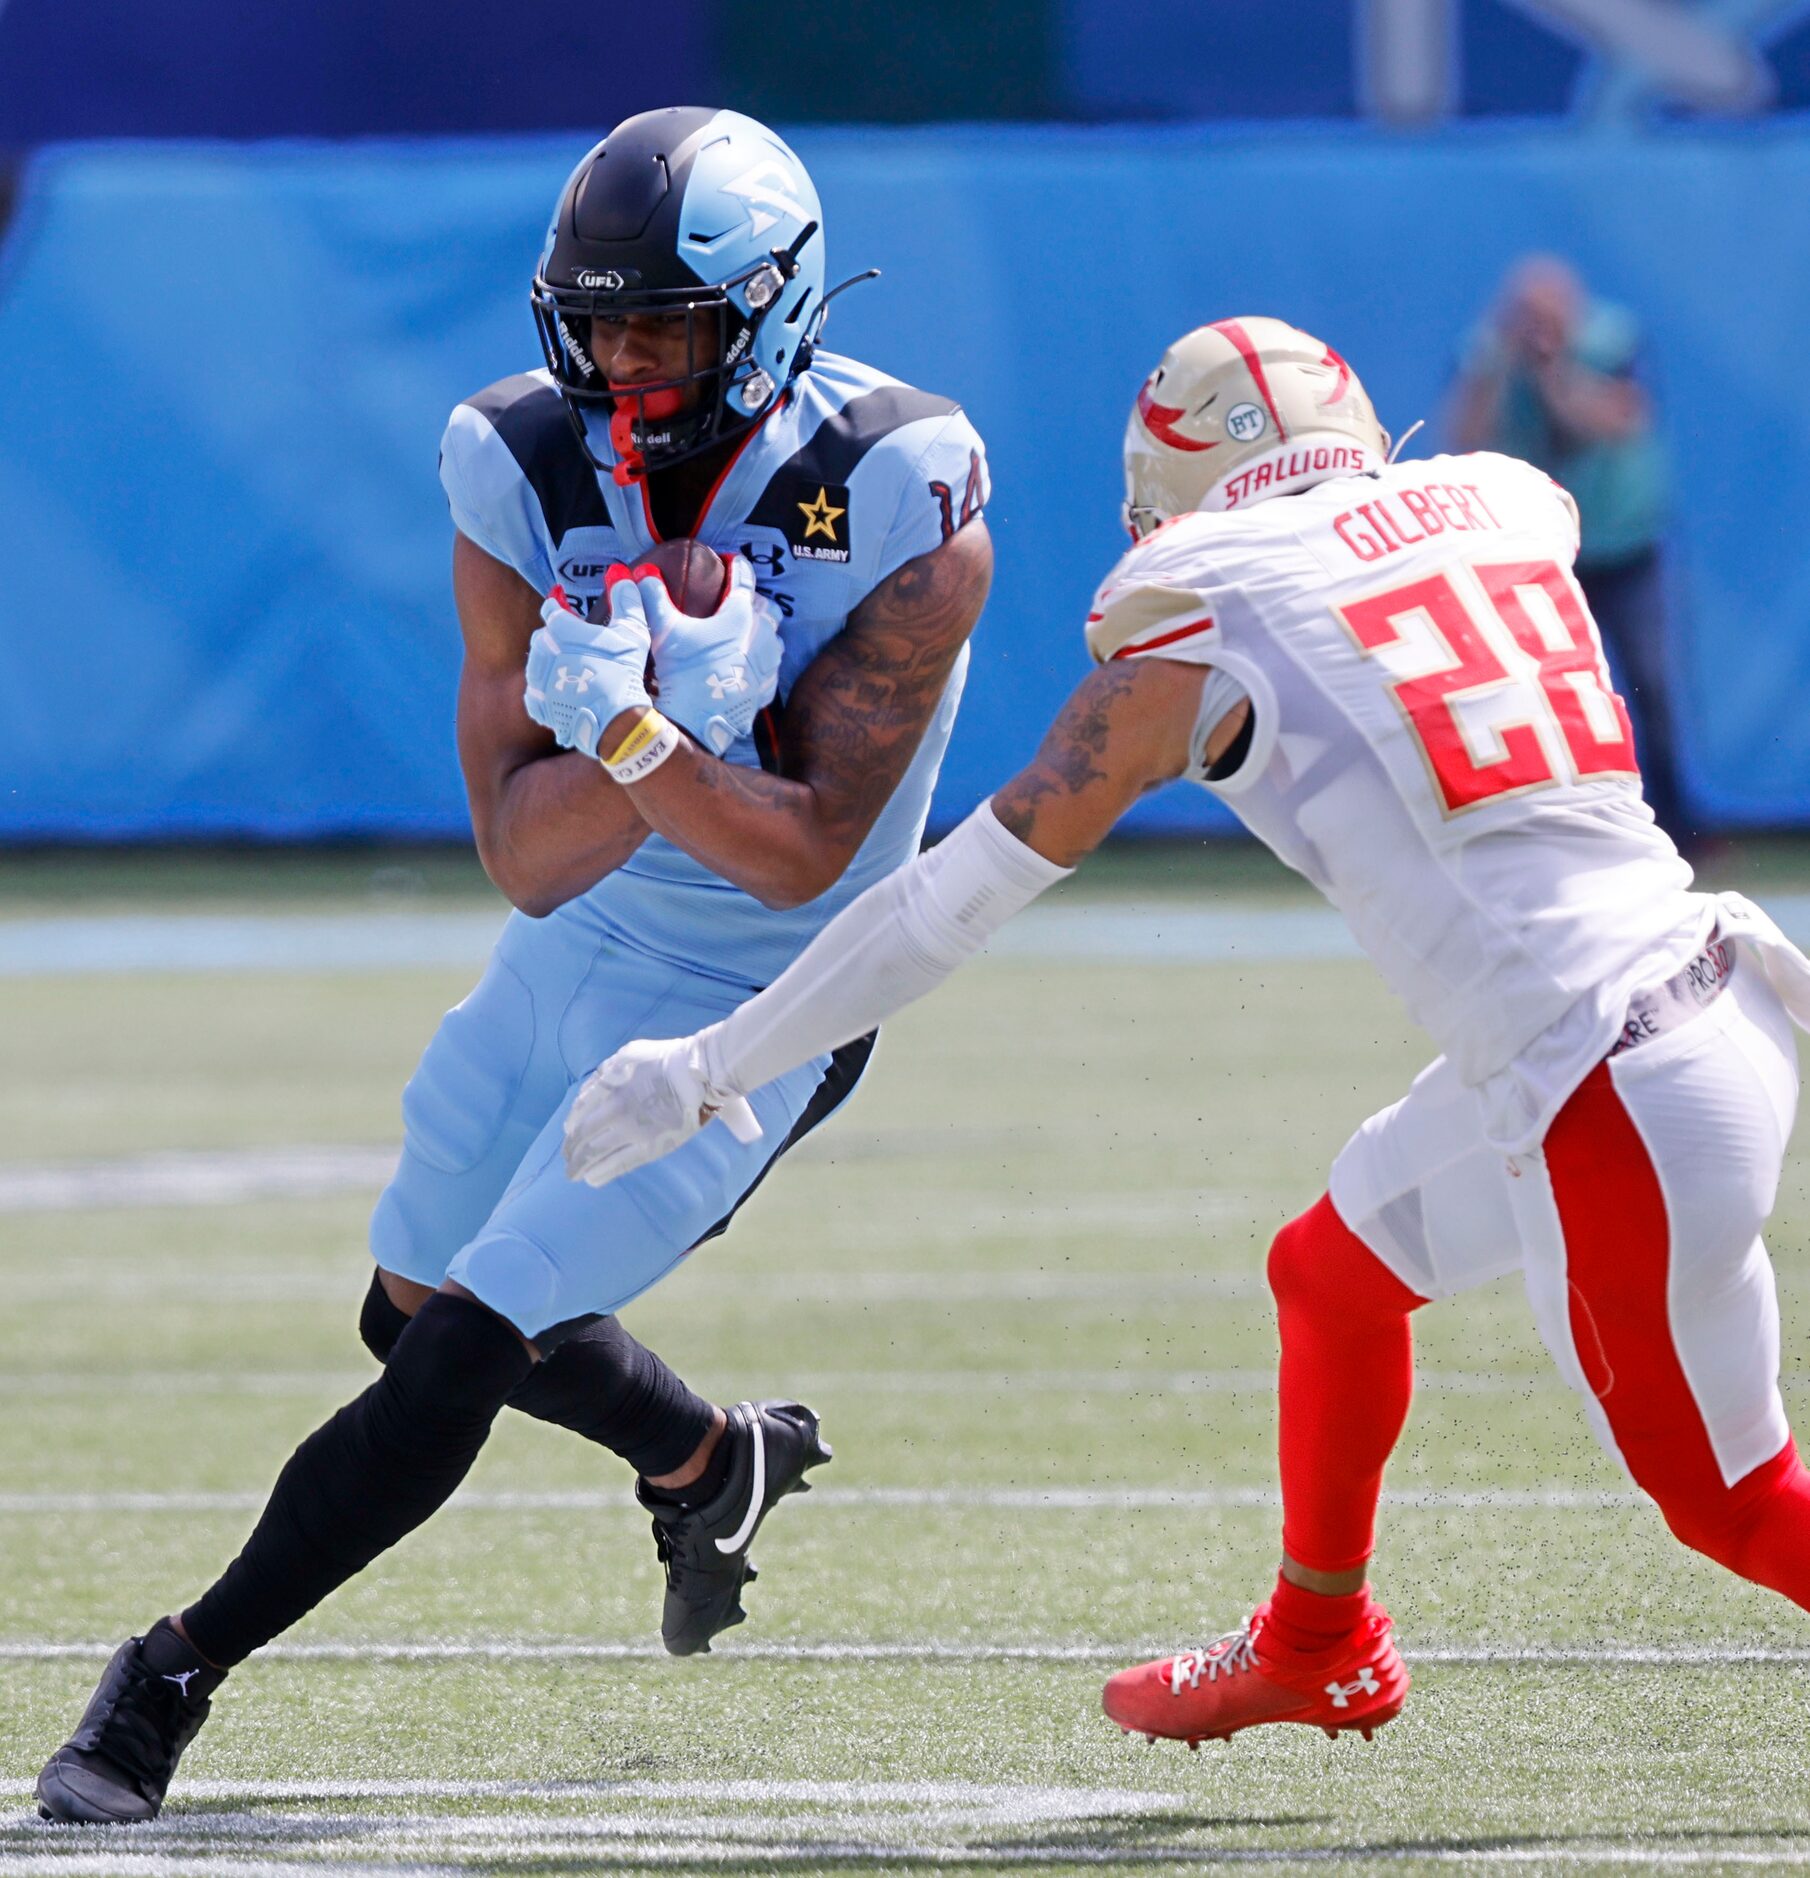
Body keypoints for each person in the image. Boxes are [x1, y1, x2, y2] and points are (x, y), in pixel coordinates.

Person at [563, 316, 1810, 1751]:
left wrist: (715, 1062)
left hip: (1604, 1081)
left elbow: (951, 899)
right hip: (1697, 997)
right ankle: (1316, 1642)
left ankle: (1317, 1640)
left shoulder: (1208, 610)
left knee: (1729, 1501)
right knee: (1334, 1272)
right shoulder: (1496, 504)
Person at [35, 106, 992, 1824]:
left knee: (464, 1340)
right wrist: (643, 743)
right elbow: (522, 854)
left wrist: (634, 728)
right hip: (594, 929)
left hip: (776, 993)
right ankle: (713, 1456)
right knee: (399, 1305)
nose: (622, 360)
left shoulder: (900, 488)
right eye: (599, 319)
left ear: (771, 312)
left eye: (664, 323)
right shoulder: (517, 454)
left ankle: (170, 1673)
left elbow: (800, 851)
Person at [1449, 256, 1685, 841]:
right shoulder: (1490, 351)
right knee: (1531, 691)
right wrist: (1501, 365)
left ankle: (1681, 827)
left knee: (1647, 688)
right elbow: (1464, 435)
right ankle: (1547, 823)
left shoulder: (1611, 339)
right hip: (1541, 548)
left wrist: (1556, 370)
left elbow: (1618, 421)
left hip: (1620, 541)